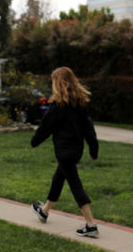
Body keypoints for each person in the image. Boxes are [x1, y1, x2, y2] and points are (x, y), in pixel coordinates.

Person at [30, 66, 100, 238]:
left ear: (58, 84)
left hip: (64, 152)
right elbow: (89, 129)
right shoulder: (80, 104)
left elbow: (45, 128)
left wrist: (34, 141)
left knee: (75, 185)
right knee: (58, 178)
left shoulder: (57, 106)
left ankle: (91, 225)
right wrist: (93, 149)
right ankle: (45, 211)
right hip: (76, 151)